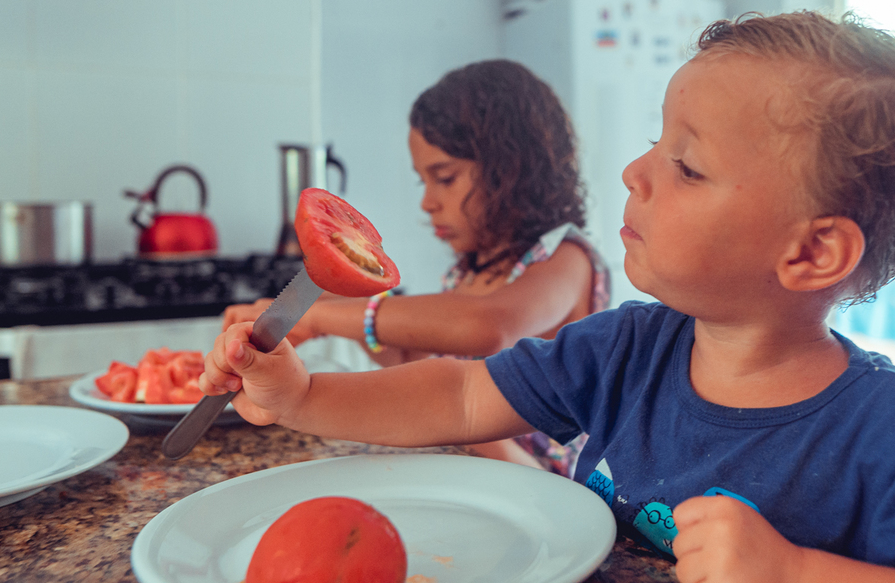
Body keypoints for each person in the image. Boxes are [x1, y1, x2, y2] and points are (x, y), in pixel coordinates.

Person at [202, 12, 895, 583]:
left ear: (812, 253)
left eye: (685, 165)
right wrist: (304, 395)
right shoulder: (626, 347)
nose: (634, 171)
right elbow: (463, 395)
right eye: (657, 142)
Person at [223, 59, 609, 476]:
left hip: (545, 483)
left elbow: (487, 325)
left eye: (444, 178)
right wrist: (334, 312)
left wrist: (318, 315)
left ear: (514, 171)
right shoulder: (467, 274)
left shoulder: (566, 259)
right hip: (467, 474)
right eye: (422, 181)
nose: (427, 201)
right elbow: (413, 361)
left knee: (474, 426)